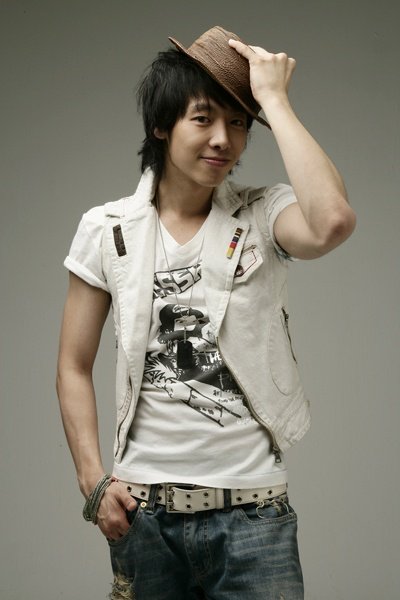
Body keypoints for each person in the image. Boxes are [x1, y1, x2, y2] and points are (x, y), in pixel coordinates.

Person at [56, 26, 356, 600]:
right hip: (144, 516)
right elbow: (73, 364)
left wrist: (274, 100)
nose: (223, 139)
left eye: (238, 123)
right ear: (161, 125)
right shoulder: (107, 230)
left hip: (254, 517)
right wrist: (94, 483)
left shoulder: (263, 215)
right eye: (203, 119)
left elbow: (332, 222)